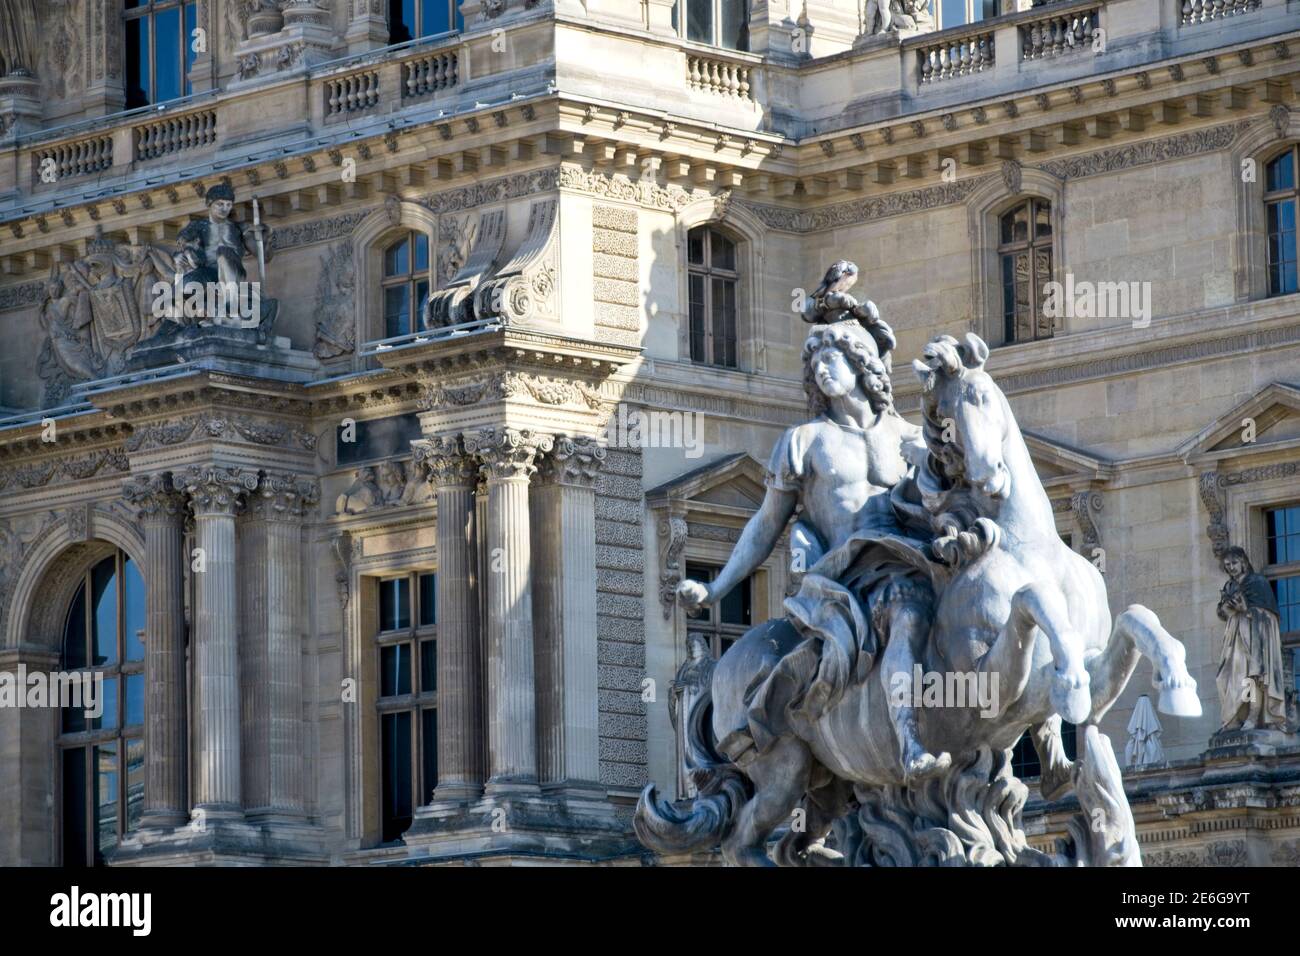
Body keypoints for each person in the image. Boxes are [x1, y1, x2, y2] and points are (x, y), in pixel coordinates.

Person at [677, 318, 950, 783]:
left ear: (861, 365)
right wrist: (715, 588)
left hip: (915, 559)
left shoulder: (910, 436)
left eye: (831, 359)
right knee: (908, 613)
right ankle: (909, 742)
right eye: (815, 363)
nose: (822, 370)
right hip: (847, 575)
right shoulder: (804, 441)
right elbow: (766, 524)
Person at [1215, 546, 1287, 733]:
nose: (1231, 568)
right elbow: (1221, 612)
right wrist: (1226, 609)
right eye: (1227, 565)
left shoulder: (1258, 582)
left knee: (1252, 676)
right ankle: (1233, 717)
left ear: (1244, 562)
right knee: (1226, 677)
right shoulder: (1230, 586)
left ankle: (1253, 715)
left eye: (1234, 563)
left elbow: (1268, 615)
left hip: (1254, 637)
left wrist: (1245, 608)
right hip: (1234, 638)